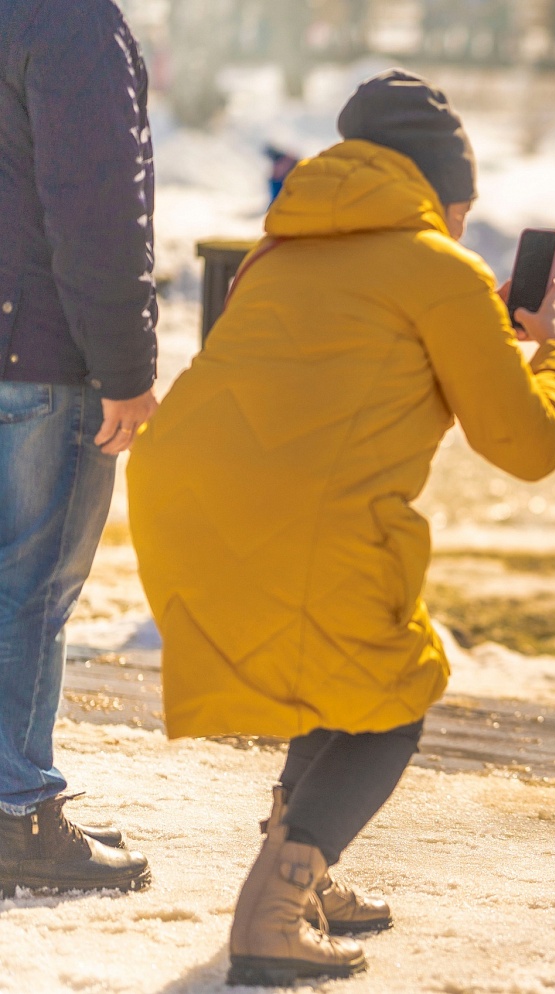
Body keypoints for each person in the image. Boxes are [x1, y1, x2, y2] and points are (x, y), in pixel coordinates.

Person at [128, 69, 555, 984]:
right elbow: (528, 444)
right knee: (390, 705)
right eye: (461, 204)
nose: (461, 222)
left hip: (178, 494)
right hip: (303, 515)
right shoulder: (439, 268)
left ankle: (303, 875)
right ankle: (272, 912)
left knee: (333, 680)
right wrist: (554, 349)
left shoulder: (278, 253)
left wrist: (474, 339)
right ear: (438, 190)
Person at [0, 0, 156, 896]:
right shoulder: (71, 23)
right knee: (30, 590)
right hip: (42, 355)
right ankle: (16, 812)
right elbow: (98, 206)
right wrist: (127, 366)